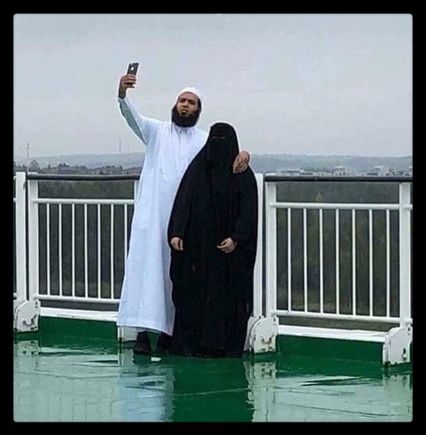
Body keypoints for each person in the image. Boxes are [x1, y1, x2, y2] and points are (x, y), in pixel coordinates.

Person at [116, 69, 251, 355]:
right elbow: (131, 118)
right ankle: (142, 333)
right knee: (148, 271)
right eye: (182, 101)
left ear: (198, 110)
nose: (185, 106)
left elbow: (226, 155)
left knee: (178, 277)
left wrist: (245, 155)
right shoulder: (156, 132)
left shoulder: (203, 140)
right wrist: (123, 94)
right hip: (154, 218)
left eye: (191, 103)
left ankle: (171, 333)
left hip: (188, 222)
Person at [168, 122, 258, 358]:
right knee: (193, 295)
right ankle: (191, 345)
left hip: (228, 253)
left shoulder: (241, 173)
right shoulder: (198, 170)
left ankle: (223, 345)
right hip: (197, 250)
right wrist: (177, 232)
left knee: (226, 297)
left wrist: (237, 238)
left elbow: (248, 211)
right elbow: (184, 200)